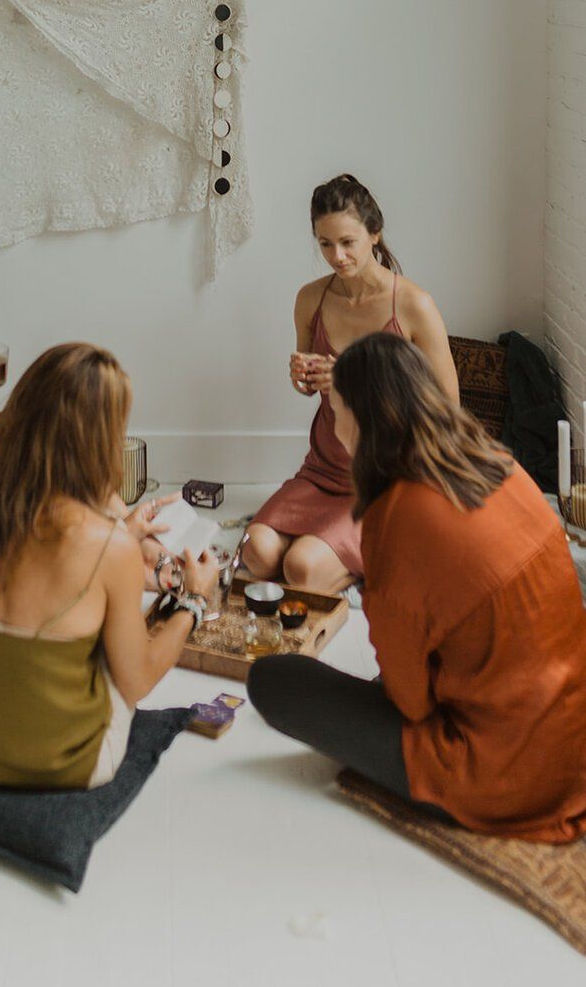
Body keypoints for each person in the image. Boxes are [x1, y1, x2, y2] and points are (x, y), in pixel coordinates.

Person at [247, 332, 586, 843]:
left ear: (362, 418)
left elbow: (410, 701)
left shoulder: (396, 516)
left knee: (273, 680)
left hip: (499, 775)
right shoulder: (500, 463)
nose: (335, 428)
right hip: (572, 739)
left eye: (337, 411)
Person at [0, 343, 220, 789]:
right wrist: (192, 602)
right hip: (59, 763)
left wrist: (122, 529)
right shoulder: (110, 547)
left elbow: (41, 542)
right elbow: (135, 683)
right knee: (113, 652)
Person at [243, 173, 458, 591]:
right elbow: (309, 387)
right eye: (325, 244)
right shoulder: (312, 299)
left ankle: (386, 540)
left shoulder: (414, 305)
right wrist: (303, 378)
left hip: (385, 474)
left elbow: (448, 406)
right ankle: (334, 542)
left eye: (347, 242)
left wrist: (349, 383)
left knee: (300, 569)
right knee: (257, 552)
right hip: (323, 468)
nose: (337, 256)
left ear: (374, 234)